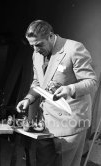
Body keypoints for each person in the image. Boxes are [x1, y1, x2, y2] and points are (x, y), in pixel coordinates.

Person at [16, 20, 98, 166]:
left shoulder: (74, 49)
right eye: (32, 46)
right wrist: (29, 98)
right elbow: (37, 82)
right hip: (47, 122)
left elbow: (91, 82)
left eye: (39, 44)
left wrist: (70, 89)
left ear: (51, 36)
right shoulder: (37, 54)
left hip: (70, 122)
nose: (35, 49)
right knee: (43, 162)